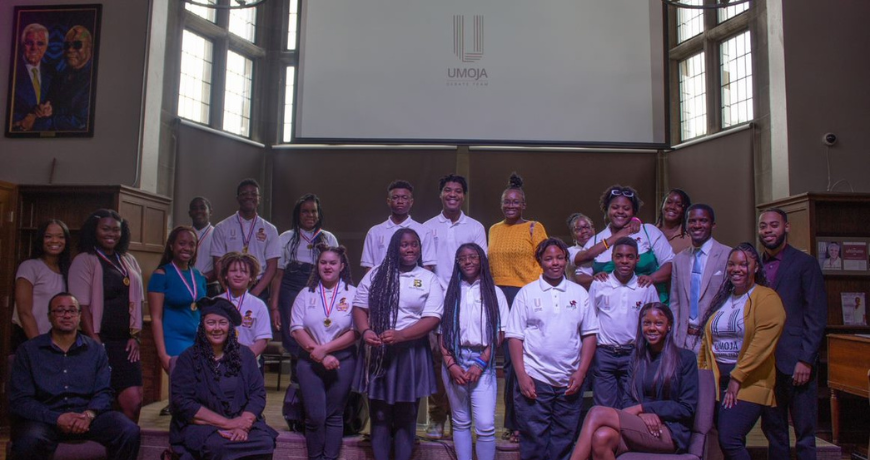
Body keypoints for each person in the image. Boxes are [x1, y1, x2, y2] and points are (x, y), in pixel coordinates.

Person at [9, 293, 141, 460]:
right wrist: (57, 418)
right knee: (28, 440)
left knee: (128, 430)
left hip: (87, 417)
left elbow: (104, 391)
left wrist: (89, 415)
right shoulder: (29, 351)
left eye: (72, 311)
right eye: (60, 310)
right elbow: (21, 400)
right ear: (49, 316)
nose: (67, 315)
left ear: (79, 316)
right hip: (46, 419)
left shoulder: (95, 350)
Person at [353, 228, 444, 460]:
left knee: (406, 415)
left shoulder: (428, 278)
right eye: (404, 245)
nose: (410, 249)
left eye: (414, 244)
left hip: (411, 352)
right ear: (395, 247)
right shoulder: (375, 274)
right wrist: (365, 331)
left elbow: (433, 318)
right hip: (378, 351)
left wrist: (402, 335)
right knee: (380, 415)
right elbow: (359, 307)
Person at [506, 237, 598, 460]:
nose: (555, 263)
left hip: (569, 380)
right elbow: (514, 337)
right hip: (535, 378)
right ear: (539, 261)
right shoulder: (527, 293)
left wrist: (581, 372)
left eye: (559, 258)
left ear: (566, 260)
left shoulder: (579, 293)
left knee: (563, 440)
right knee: (534, 442)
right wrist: (522, 376)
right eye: (548, 259)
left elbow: (589, 335)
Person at [569, 303, 699, 460]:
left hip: (670, 431)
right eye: (647, 323)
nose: (652, 328)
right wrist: (642, 414)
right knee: (601, 437)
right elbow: (627, 400)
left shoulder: (685, 358)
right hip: (639, 424)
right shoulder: (637, 358)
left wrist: (643, 408)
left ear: (669, 326)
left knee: (596, 413)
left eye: (658, 323)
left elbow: (686, 408)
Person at [698, 243, 786, 460]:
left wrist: (737, 378)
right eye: (731, 264)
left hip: (748, 382)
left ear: (755, 267)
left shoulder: (766, 298)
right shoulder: (724, 299)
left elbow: (761, 344)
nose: (736, 269)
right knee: (724, 441)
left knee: (730, 438)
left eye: (743, 264)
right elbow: (707, 343)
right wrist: (702, 376)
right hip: (717, 382)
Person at [757, 209, 827, 460]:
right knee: (774, 431)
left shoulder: (805, 263)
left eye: (774, 225)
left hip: (797, 361)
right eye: (763, 226)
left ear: (786, 227)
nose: (768, 230)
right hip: (765, 363)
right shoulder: (755, 266)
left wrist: (806, 359)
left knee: (805, 433)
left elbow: (816, 315)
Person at [170, 297, 278, 460]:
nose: (217, 328)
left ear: (230, 327)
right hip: (204, 426)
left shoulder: (245, 355)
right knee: (218, 446)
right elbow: (183, 403)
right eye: (211, 323)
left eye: (222, 323)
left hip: (243, 423)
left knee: (264, 443)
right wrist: (228, 424)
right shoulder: (188, 359)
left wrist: (243, 423)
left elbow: (258, 394)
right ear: (202, 326)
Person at [423, 173, 488, 439]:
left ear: (464, 195)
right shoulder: (427, 227)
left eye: (458, 191)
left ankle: (461, 420)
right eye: (448, 190)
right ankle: (437, 417)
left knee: (462, 358)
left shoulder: (475, 227)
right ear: (441, 194)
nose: (453, 195)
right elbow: (425, 267)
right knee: (438, 360)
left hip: (466, 299)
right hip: (436, 303)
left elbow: (480, 264)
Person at [487, 172, 548, 443]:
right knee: (501, 363)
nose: (510, 205)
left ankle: (520, 423)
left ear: (524, 204)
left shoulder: (534, 227)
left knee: (520, 362)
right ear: (501, 204)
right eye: (506, 201)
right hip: (498, 296)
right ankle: (506, 422)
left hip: (526, 296)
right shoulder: (493, 229)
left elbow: (546, 261)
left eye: (515, 201)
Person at [69, 209, 144, 422]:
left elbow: (139, 301)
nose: (111, 234)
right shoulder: (84, 260)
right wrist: (95, 341)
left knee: (134, 400)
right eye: (105, 229)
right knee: (102, 399)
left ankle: (129, 439)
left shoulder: (128, 260)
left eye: (116, 230)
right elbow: (81, 305)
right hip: (99, 341)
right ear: (94, 230)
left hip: (126, 342)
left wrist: (136, 336)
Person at [439, 243, 508, 460]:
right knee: (460, 422)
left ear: (481, 260)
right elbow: (441, 334)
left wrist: (480, 363)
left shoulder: (494, 292)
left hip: (483, 360)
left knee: (485, 424)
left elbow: (500, 333)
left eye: (473, 257)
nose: (468, 261)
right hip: (454, 359)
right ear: (457, 263)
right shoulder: (450, 293)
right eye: (462, 258)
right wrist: (451, 364)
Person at [289, 245, 357, 460]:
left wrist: (326, 350)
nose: (328, 267)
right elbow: (296, 329)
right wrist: (320, 354)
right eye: (323, 262)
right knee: (315, 416)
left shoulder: (353, 293)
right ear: (317, 266)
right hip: (309, 362)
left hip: (343, 361)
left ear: (342, 266)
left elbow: (356, 332)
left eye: (333, 263)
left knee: (334, 415)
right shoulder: (305, 294)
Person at [588, 237, 659, 408]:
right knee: (604, 407)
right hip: (604, 353)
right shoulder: (599, 284)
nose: (624, 261)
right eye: (619, 256)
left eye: (629, 256)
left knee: (630, 405)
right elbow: (589, 321)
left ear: (637, 259)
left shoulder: (646, 287)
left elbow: (656, 323)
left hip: (634, 353)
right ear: (612, 257)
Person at [576, 185, 674, 304]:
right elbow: (580, 275)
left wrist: (651, 278)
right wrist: (595, 280)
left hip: (651, 306)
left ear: (633, 211)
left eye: (626, 208)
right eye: (615, 207)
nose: (620, 211)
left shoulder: (648, 232)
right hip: (610, 309)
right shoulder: (596, 240)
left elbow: (670, 263)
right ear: (607, 209)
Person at [148, 226, 208, 416]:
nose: (187, 248)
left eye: (191, 244)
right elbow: (156, 318)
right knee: (185, 391)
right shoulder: (161, 275)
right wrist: (162, 354)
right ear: (172, 246)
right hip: (174, 339)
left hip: (198, 339)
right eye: (182, 243)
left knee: (200, 393)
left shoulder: (198, 276)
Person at [271, 194, 338, 358]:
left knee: (317, 329)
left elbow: (336, 272)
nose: (310, 215)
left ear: (319, 214)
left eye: (313, 211)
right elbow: (278, 275)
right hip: (290, 288)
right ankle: (296, 372)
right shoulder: (285, 238)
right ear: (298, 214)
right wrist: (274, 307)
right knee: (293, 331)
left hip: (318, 287)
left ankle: (317, 366)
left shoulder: (328, 238)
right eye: (305, 211)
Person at [669, 204, 731, 353]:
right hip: (684, 341)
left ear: (713, 225)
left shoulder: (727, 255)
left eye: (703, 221)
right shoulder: (678, 260)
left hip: (715, 341)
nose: (697, 225)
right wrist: (675, 337)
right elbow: (675, 302)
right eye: (692, 221)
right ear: (686, 225)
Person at [211, 179, 280, 303]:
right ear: (237, 198)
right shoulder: (222, 227)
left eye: (253, 194)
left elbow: (272, 266)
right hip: (229, 287)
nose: (249, 197)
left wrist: (254, 293)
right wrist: (229, 291)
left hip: (258, 288)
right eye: (244, 194)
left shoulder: (270, 229)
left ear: (259, 199)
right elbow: (218, 263)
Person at [12, 220, 71, 350]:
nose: (55, 240)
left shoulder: (68, 270)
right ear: (40, 239)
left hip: (59, 343)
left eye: (60, 237)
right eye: (48, 236)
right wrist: (39, 346)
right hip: (32, 341)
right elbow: (24, 312)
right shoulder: (29, 266)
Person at [360, 180, 436, 272]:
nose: (400, 201)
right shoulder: (375, 232)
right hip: (382, 281)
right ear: (388, 201)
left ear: (411, 202)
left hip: (413, 281)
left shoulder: (424, 231)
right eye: (395, 197)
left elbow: (427, 265)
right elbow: (368, 266)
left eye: (404, 198)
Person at [219, 252, 273, 358]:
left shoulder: (259, 305)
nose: (238, 275)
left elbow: (262, 339)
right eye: (233, 271)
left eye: (244, 271)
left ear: (251, 277)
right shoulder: (216, 302)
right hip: (218, 362)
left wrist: (245, 360)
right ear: (225, 275)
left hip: (248, 361)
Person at [42, 25, 95, 131]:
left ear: (89, 47)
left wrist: (42, 122)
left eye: (77, 45)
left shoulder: (93, 79)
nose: (70, 50)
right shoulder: (62, 75)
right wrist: (46, 110)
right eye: (66, 45)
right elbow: (53, 105)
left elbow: (81, 122)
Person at [12, 23, 53, 131]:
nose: (34, 48)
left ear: (46, 47)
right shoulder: (10, 70)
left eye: (40, 43)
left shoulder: (52, 72)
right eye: (29, 43)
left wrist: (48, 109)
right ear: (22, 45)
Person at [189, 196, 220, 294]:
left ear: (210, 211)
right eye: (194, 208)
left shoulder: (218, 234)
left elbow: (220, 264)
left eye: (202, 208)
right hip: (186, 284)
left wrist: (201, 278)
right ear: (190, 213)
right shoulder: (184, 234)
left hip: (210, 286)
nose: (198, 211)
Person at [655, 189, 693, 254]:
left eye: (679, 205)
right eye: (669, 202)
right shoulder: (649, 232)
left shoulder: (690, 239)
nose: (672, 207)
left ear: (685, 210)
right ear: (662, 205)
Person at [566, 213, 595, 287]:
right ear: (573, 235)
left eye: (587, 227)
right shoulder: (569, 251)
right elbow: (588, 255)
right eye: (579, 229)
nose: (584, 231)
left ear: (593, 229)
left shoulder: (602, 247)